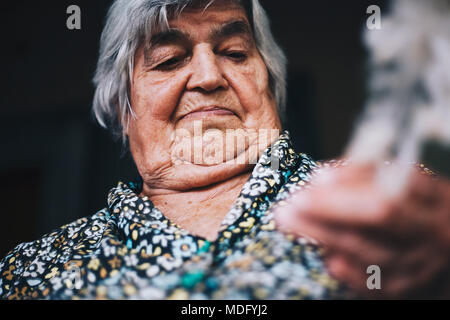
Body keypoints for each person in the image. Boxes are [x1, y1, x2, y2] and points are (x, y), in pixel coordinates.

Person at [0, 0, 449, 300]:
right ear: (123, 108)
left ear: (269, 83)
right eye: (169, 60)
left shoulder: (385, 191)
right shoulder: (30, 270)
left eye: (234, 52)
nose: (208, 77)